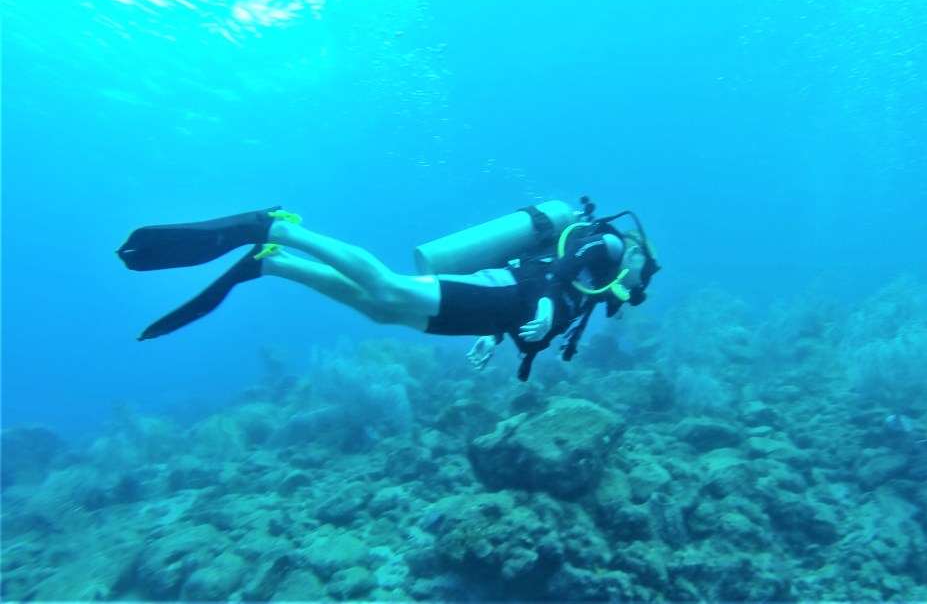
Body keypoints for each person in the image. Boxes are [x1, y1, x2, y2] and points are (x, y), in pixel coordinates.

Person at [117, 202, 659, 381]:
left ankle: (273, 264)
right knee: (386, 285)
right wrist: (539, 301)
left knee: (381, 311)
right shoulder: (612, 247)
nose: (637, 289)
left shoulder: (595, 291)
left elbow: (556, 290)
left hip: (493, 311)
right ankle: (277, 227)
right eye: (644, 280)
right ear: (639, 259)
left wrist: (496, 337)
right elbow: (557, 267)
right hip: (500, 290)